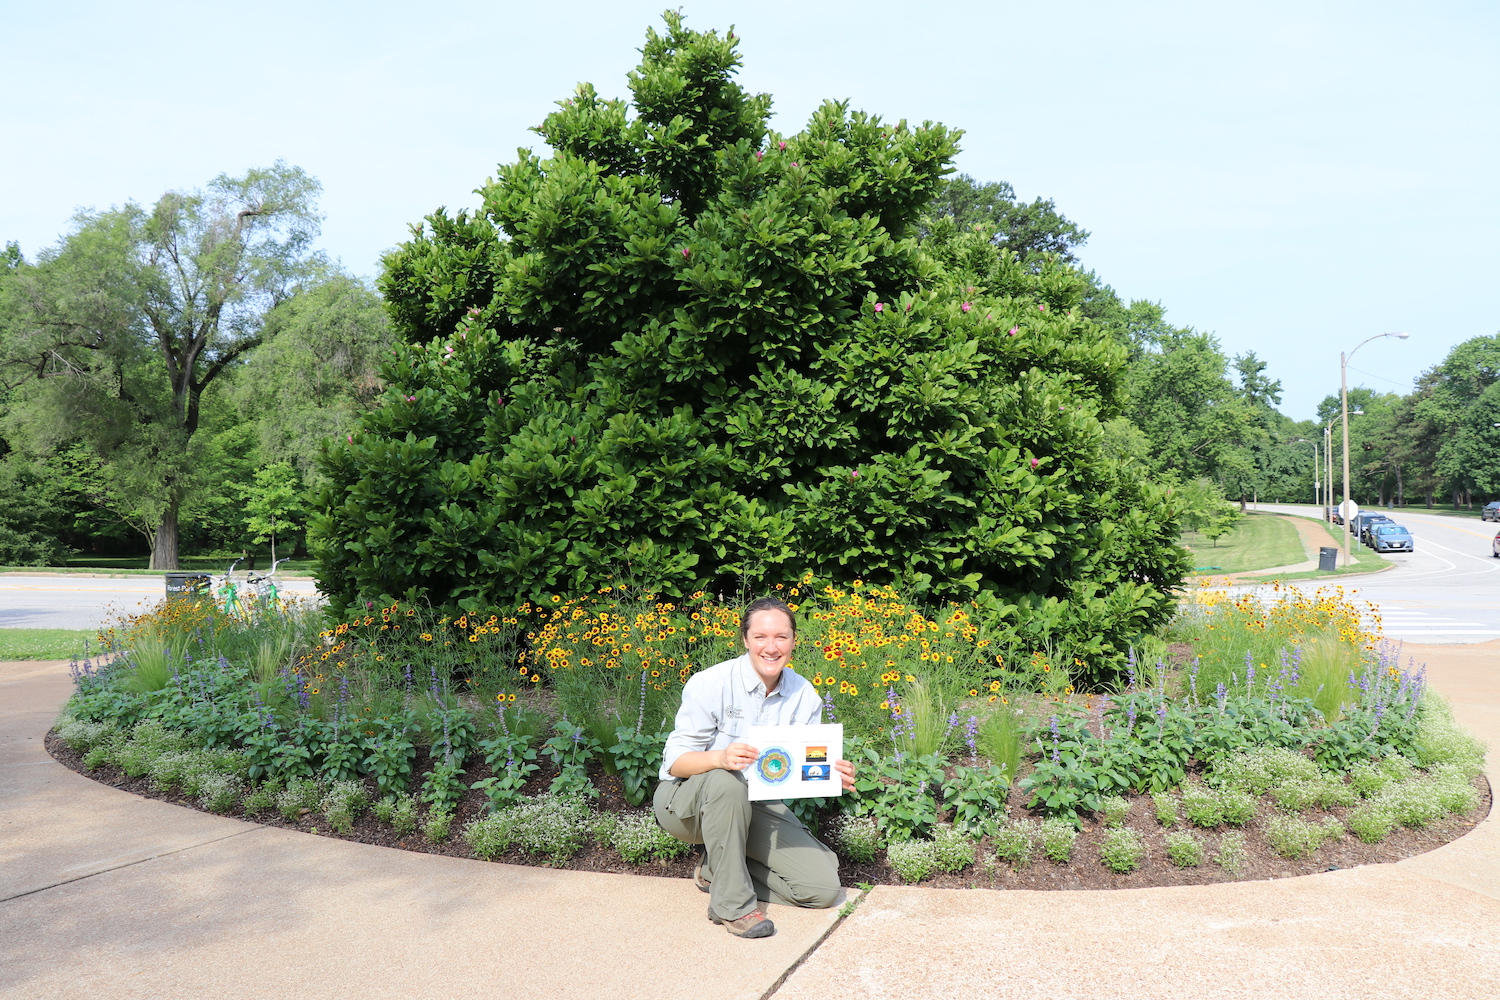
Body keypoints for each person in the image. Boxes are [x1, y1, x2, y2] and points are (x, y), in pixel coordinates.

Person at [652, 596, 856, 939]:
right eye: (761, 637)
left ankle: (716, 870)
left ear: (793, 641)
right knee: (727, 782)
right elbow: (674, 762)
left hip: (755, 802)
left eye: (781, 637)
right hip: (685, 804)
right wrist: (720, 758)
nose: (771, 647)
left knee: (821, 889)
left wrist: (831, 773)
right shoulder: (711, 683)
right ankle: (733, 906)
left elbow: (800, 768)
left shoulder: (804, 695)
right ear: (745, 639)